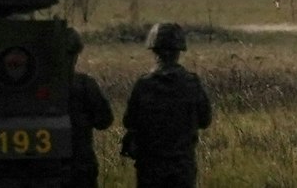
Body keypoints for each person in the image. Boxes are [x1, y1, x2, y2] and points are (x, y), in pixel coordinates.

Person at [119, 22, 213, 187]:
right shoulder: (191, 83)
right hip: (181, 166)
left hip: (150, 167)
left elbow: (129, 121)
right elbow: (205, 120)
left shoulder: (143, 85)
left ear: (154, 51)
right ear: (179, 52)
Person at [67, 29, 113, 188]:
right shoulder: (85, 85)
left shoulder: (37, 87)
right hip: (81, 164)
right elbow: (104, 121)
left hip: (44, 168)